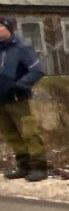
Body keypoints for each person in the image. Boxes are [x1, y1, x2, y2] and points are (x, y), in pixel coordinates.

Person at [0, 15, 47, 182]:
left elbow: (36, 71)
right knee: (10, 133)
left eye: (0, 27)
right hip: (1, 100)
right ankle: (23, 165)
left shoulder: (22, 48)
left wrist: (18, 86)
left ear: (9, 29)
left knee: (29, 133)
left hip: (19, 99)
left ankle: (39, 166)